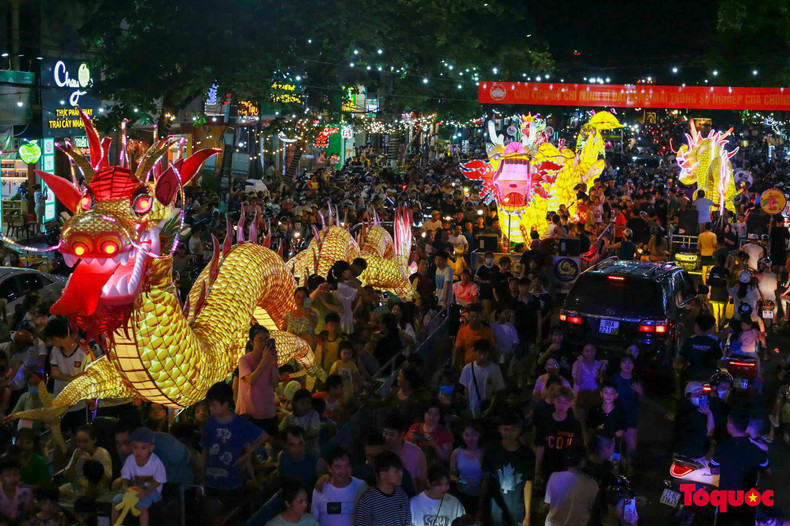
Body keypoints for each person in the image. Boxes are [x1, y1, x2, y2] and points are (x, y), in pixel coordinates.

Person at [201, 382, 268, 499]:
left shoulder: (240, 423)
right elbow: (204, 452)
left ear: (226, 404)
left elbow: (264, 436)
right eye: (209, 405)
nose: (210, 408)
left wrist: (247, 454)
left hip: (233, 481)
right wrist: (200, 479)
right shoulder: (209, 423)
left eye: (213, 405)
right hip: (210, 481)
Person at [710, 410, 771, 526]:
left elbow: (714, 470)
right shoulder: (757, 450)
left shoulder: (722, 449)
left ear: (731, 426)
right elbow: (768, 473)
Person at [479, 413, 533, 526]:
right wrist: (481, 510)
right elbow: (485, 480)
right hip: (494, 512)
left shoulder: (527, 455)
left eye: (513, 430)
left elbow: (528, 483)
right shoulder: (492, 450)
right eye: (505, 429)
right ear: (500, 429)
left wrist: (527, 516)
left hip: (516, 511)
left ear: (519, 430)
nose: (509, 434)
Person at [111, 427, 167, 526]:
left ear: (151, 447)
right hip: (134, 489)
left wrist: (146, 492)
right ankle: (116, 524)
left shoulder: (155, 462)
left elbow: (159, 480)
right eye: (135, 447)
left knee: (142, 505)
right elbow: (126, 476)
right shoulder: (130, 459)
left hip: (153, 491)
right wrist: (124, 486)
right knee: (116, 501)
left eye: (143, 448)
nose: (138, 451)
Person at [237, 324, 279, 436]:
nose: (264, 343)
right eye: (260, 340)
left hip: (268, 412)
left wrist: (274, 364)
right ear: (252, 342)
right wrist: (265, 360)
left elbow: (275, 383)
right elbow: (251, 379)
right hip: (250, 414)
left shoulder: (270, 359)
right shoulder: (244, 360)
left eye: (266, 339)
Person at [535, 386, 582, 483]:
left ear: (570, 404)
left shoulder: (574, 424)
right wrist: (537, 471)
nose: (562, 406)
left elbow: (578, 448)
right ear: (554, 400)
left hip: (567, 468)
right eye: (559, 401)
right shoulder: (545, 421)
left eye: (565, 403)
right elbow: (540, 447)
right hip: (548, 467)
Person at [543, 447, 599, 526]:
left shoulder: (554, 476)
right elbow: (594, 511)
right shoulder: (592, 485)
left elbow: (548, 504)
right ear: (582, 461)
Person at [311, 447, 367, 526]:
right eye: (338, 467)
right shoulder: (320, 488)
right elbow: (313, 522)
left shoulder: (362, 487)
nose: (343, 471)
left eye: (347, 466)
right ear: (329, 468)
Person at [353, 451, 411, 526]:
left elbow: (407, 522)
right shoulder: (368, 501)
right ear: (383, 474)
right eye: (396, 471)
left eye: (401, 470)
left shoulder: (401, 495)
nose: (401, 474)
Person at [60, 424, 112, 498]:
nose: (82, 445)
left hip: (96, 491)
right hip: (78, 488)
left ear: (94, 440)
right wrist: (74, 461)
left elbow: (106, 482)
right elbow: (68, 478)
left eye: (85, 441)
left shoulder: (103, 453)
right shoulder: (76, 452)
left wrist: (91, 462)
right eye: (79, 441)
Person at [459, 339, 505, 418]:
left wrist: (490, 408)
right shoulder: (467, 368)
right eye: (480, 353)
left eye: (485, 353)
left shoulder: (495, 369)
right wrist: (468, 405)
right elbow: (466, 389)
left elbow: (497, 391)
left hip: (487, 408)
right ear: (474, 352)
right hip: (472, 408)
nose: (482, 356)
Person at [383, 413, 428, 493]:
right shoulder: (380, 450)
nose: (387, 438)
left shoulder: (416, 453)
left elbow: (422, 483)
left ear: (402, 435)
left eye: (391, 435)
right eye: (385, 433)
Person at [674, 382, 715, 463]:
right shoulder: (692, 414)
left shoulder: (683, 408)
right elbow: (709, 432)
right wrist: (709, 413)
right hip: (694, 456)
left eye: (701, 395)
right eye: (696, 395)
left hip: (682, 451)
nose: (699, 398)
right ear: (688, 397)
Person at [449, 421, 484, 515]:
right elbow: (452, 473)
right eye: (467, 435)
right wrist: (457, 480)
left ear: (479, 435)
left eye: (474, 435)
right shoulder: (457, 453)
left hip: (481, 497)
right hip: (462, 495)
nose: (470, 438)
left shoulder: (484, 453)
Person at [678, 314, 722, 382]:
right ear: (711, 327)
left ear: (697, 327)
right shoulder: (714, 341)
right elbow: (719, 360)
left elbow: (682, 358)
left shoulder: (690, 341)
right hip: (710, 376)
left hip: (692, 375)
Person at [279, 388, 322, 455]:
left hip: (311, 451)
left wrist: (295, 437)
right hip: (292, 451)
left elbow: (314, 432)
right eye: (302, 404)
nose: (306, 406)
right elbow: (281, 429)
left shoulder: (313, 414)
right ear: (295, 403)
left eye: (308, 403)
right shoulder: (290, 417)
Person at [453, 303, 495, 368]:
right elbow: (457, 350)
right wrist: (454, 366)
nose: (474, 319)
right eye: (472, 317)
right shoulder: (462, 331)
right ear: (468, 316)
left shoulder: (487, 331)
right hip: (467, 367)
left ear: (481, 317)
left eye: (477, 317)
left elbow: (492, 349)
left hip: (484, 367)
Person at [0, 455, 32, 523]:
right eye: (8, 475)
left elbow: (29, 515)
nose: (13, 478)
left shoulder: (26, 491)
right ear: (1, 477)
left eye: (16, 473)